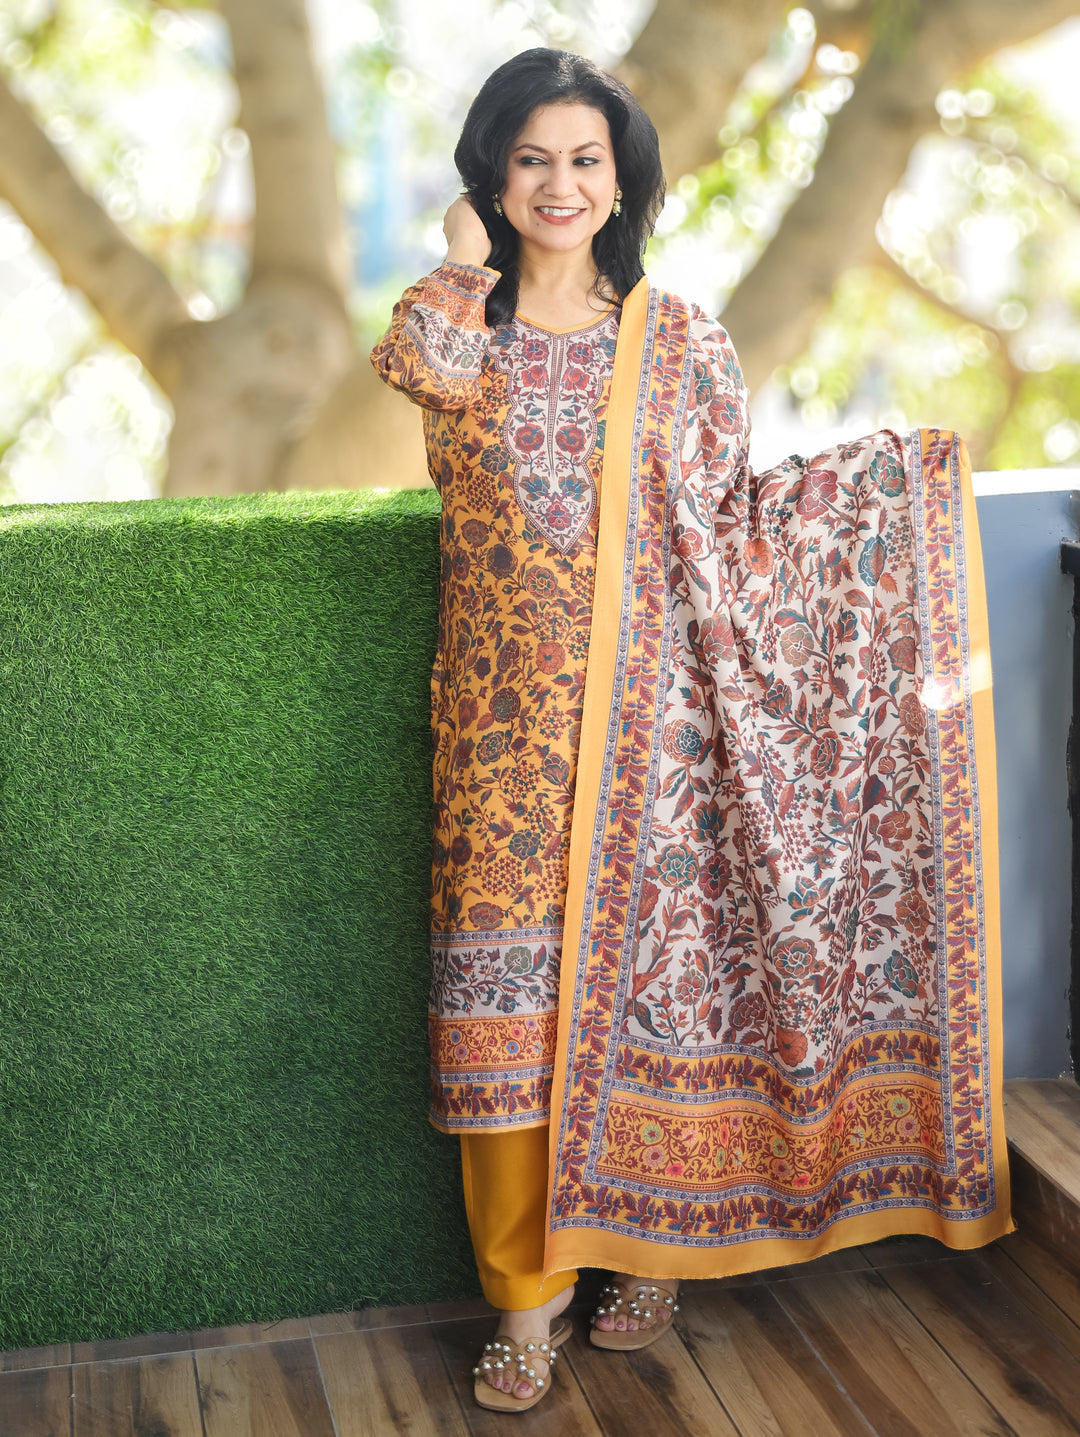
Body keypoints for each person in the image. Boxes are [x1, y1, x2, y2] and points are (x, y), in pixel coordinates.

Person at [372, 47, 1012, 1415]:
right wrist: (461, 256)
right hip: (501, 742)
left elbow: (733, 536)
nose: (559, 184)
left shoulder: (682, 345)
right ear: (493, 174)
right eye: (531, 159)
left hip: (657, 743)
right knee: (501, 1020)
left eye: (584, 160)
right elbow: (417, 369)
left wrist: (889, 494)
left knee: (664, 996)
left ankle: (649, 1249)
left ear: (622, 182)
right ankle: (525, 1305)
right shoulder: (459, 328)